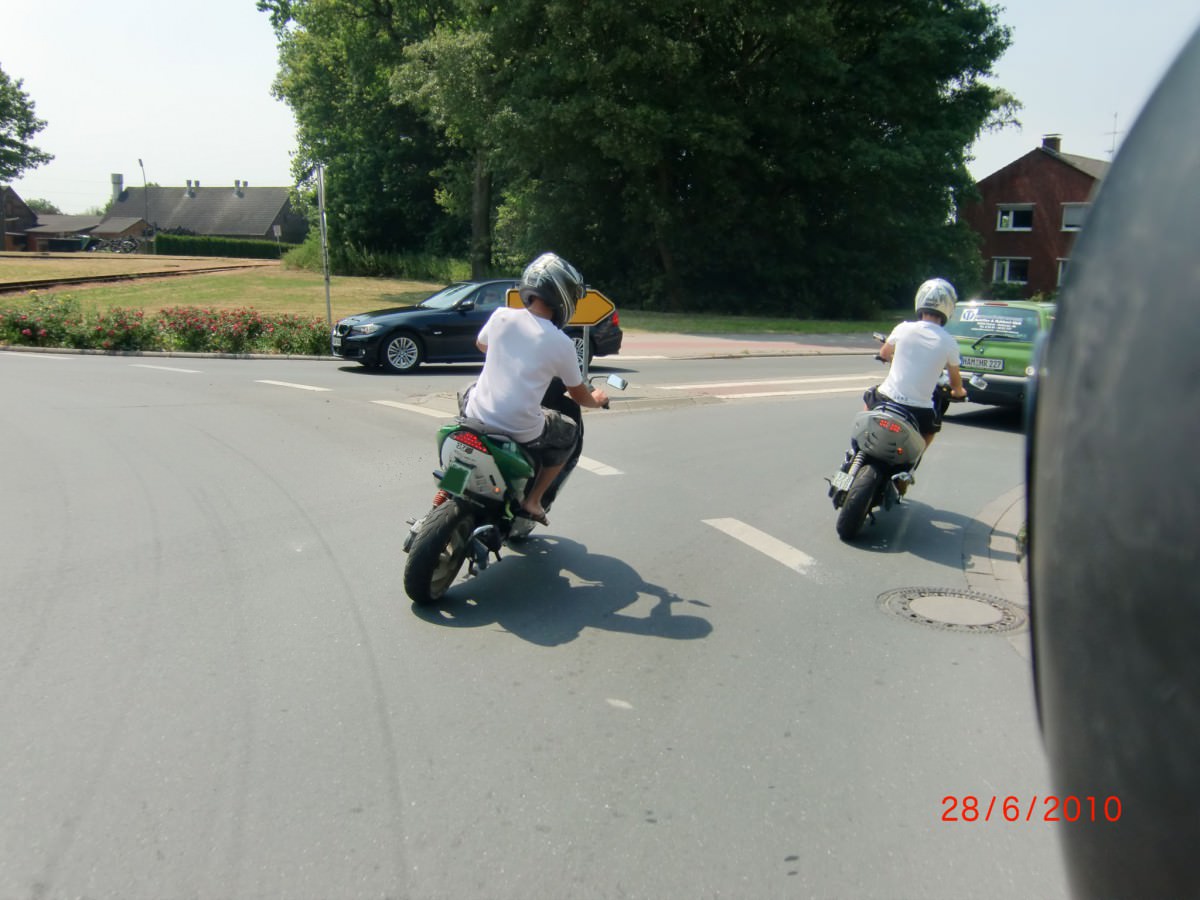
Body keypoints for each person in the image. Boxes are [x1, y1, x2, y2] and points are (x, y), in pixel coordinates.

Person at [463, 252, 609, 525]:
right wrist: (597, 399)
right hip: (519, 427)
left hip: (476, 414)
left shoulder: (501, 316)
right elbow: (579, 395)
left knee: (469, 389)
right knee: (568, 432)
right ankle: (533, 500)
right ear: (564, 297)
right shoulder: (561, 343)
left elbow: (482, 345)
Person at [867, 277, 967, 454]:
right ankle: (909, 465)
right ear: (949, 308)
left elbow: (884, 353)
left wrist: (894, 359)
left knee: (869, 399)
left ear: (920, 300)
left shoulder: (903, 328)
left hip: (886, 399)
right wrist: (959, 391)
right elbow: (954, 381)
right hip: (918, 410)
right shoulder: (949, 342)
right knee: (930, 431)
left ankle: (857, 449)